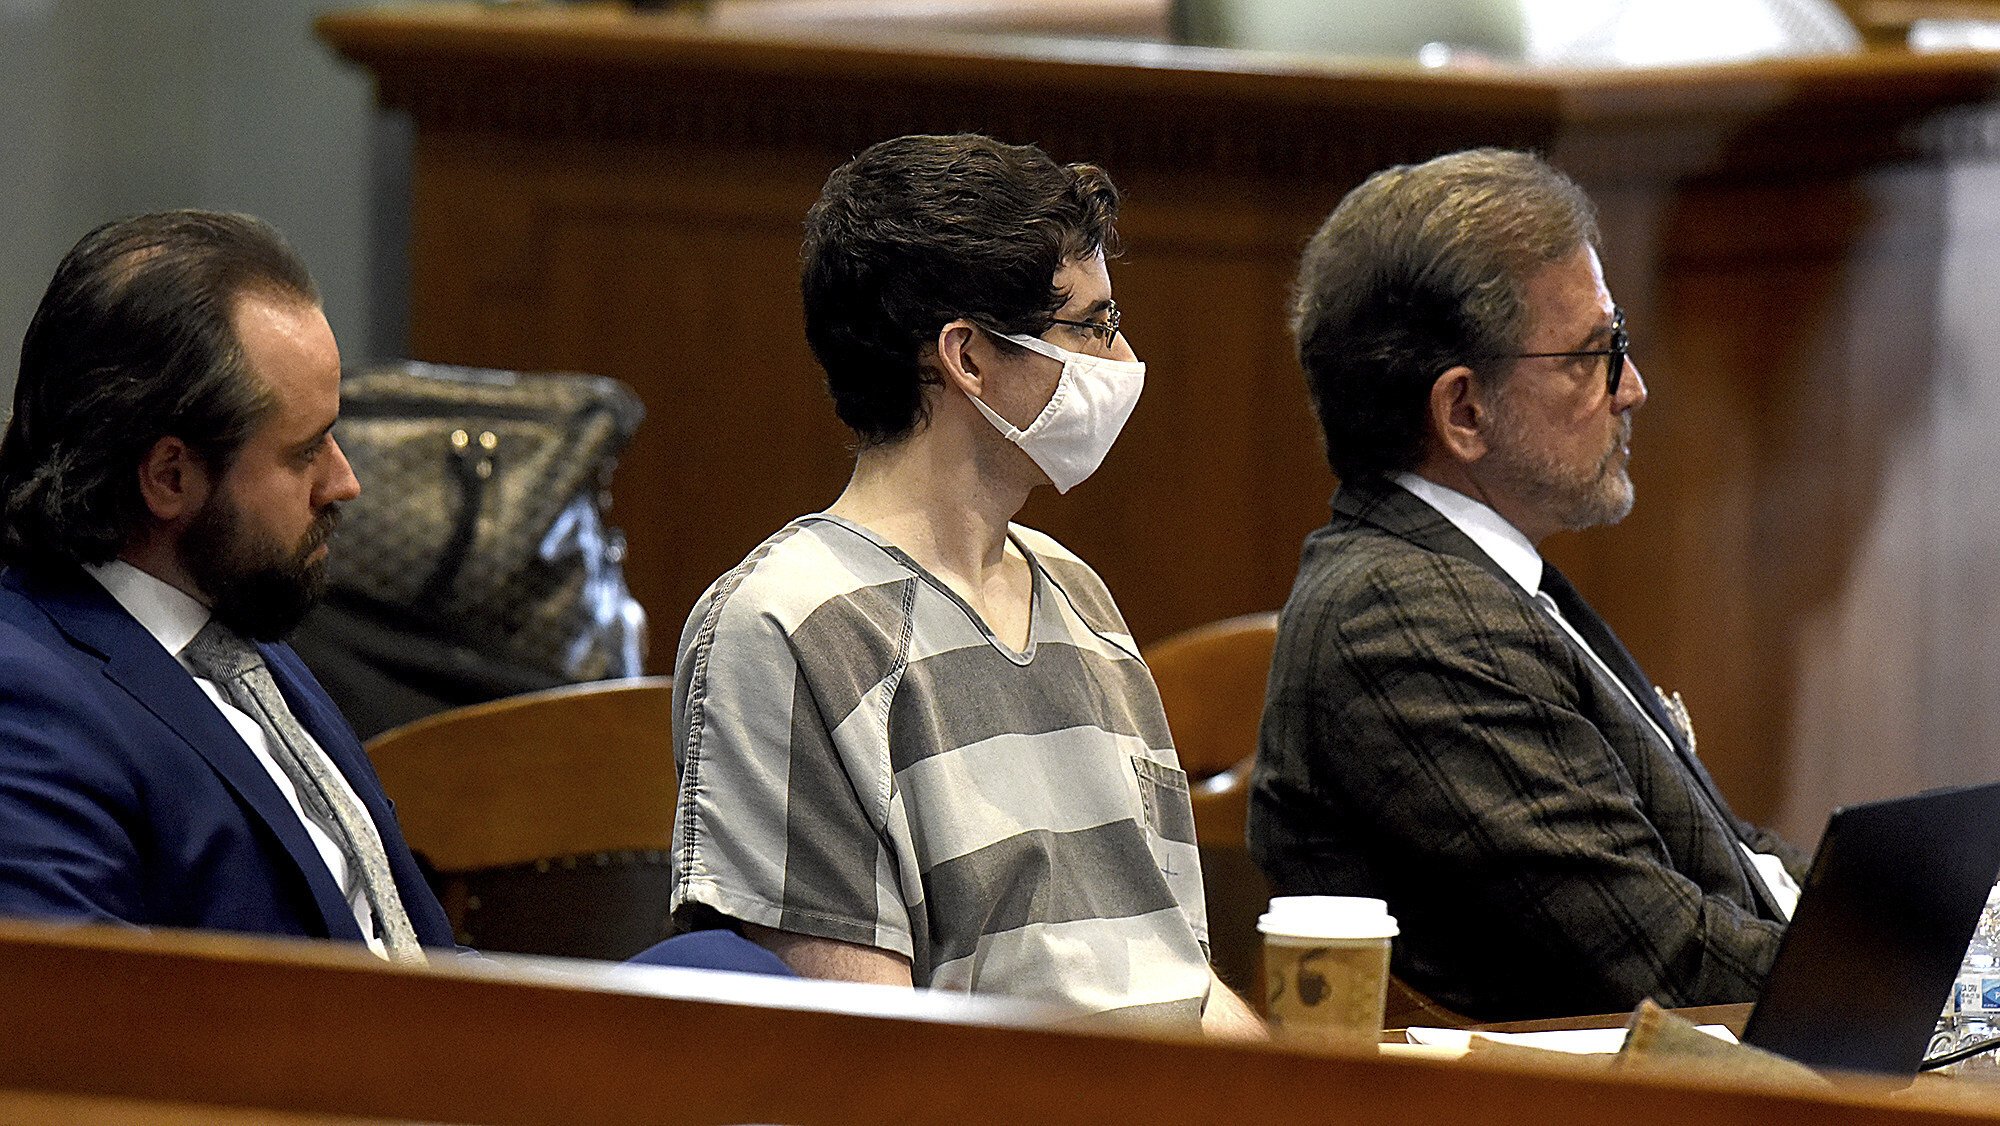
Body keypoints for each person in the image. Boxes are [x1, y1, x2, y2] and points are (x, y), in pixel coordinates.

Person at [671, 134, 1261, 1034]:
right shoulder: (785, 627)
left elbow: (1175, 977)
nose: (1123, 357)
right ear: (969, 357)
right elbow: (864, 1057)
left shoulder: (1074, 590)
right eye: (1093, 326)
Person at [1249, 149, 1807, 1021]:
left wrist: (1943, 935)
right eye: (1593, 354)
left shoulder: (1476, 578)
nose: (1633, 388)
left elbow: (1729, 858)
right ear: (1464, 411)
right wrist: (1928, 987)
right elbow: (1668, 959)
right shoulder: (1407, 622)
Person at [0, 211, 454, 959]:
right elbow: (81, 1037)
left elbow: (394, 944)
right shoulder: (30, 708)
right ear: (171, 477)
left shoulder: (230, 624)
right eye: (305, 451)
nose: (345, 482)